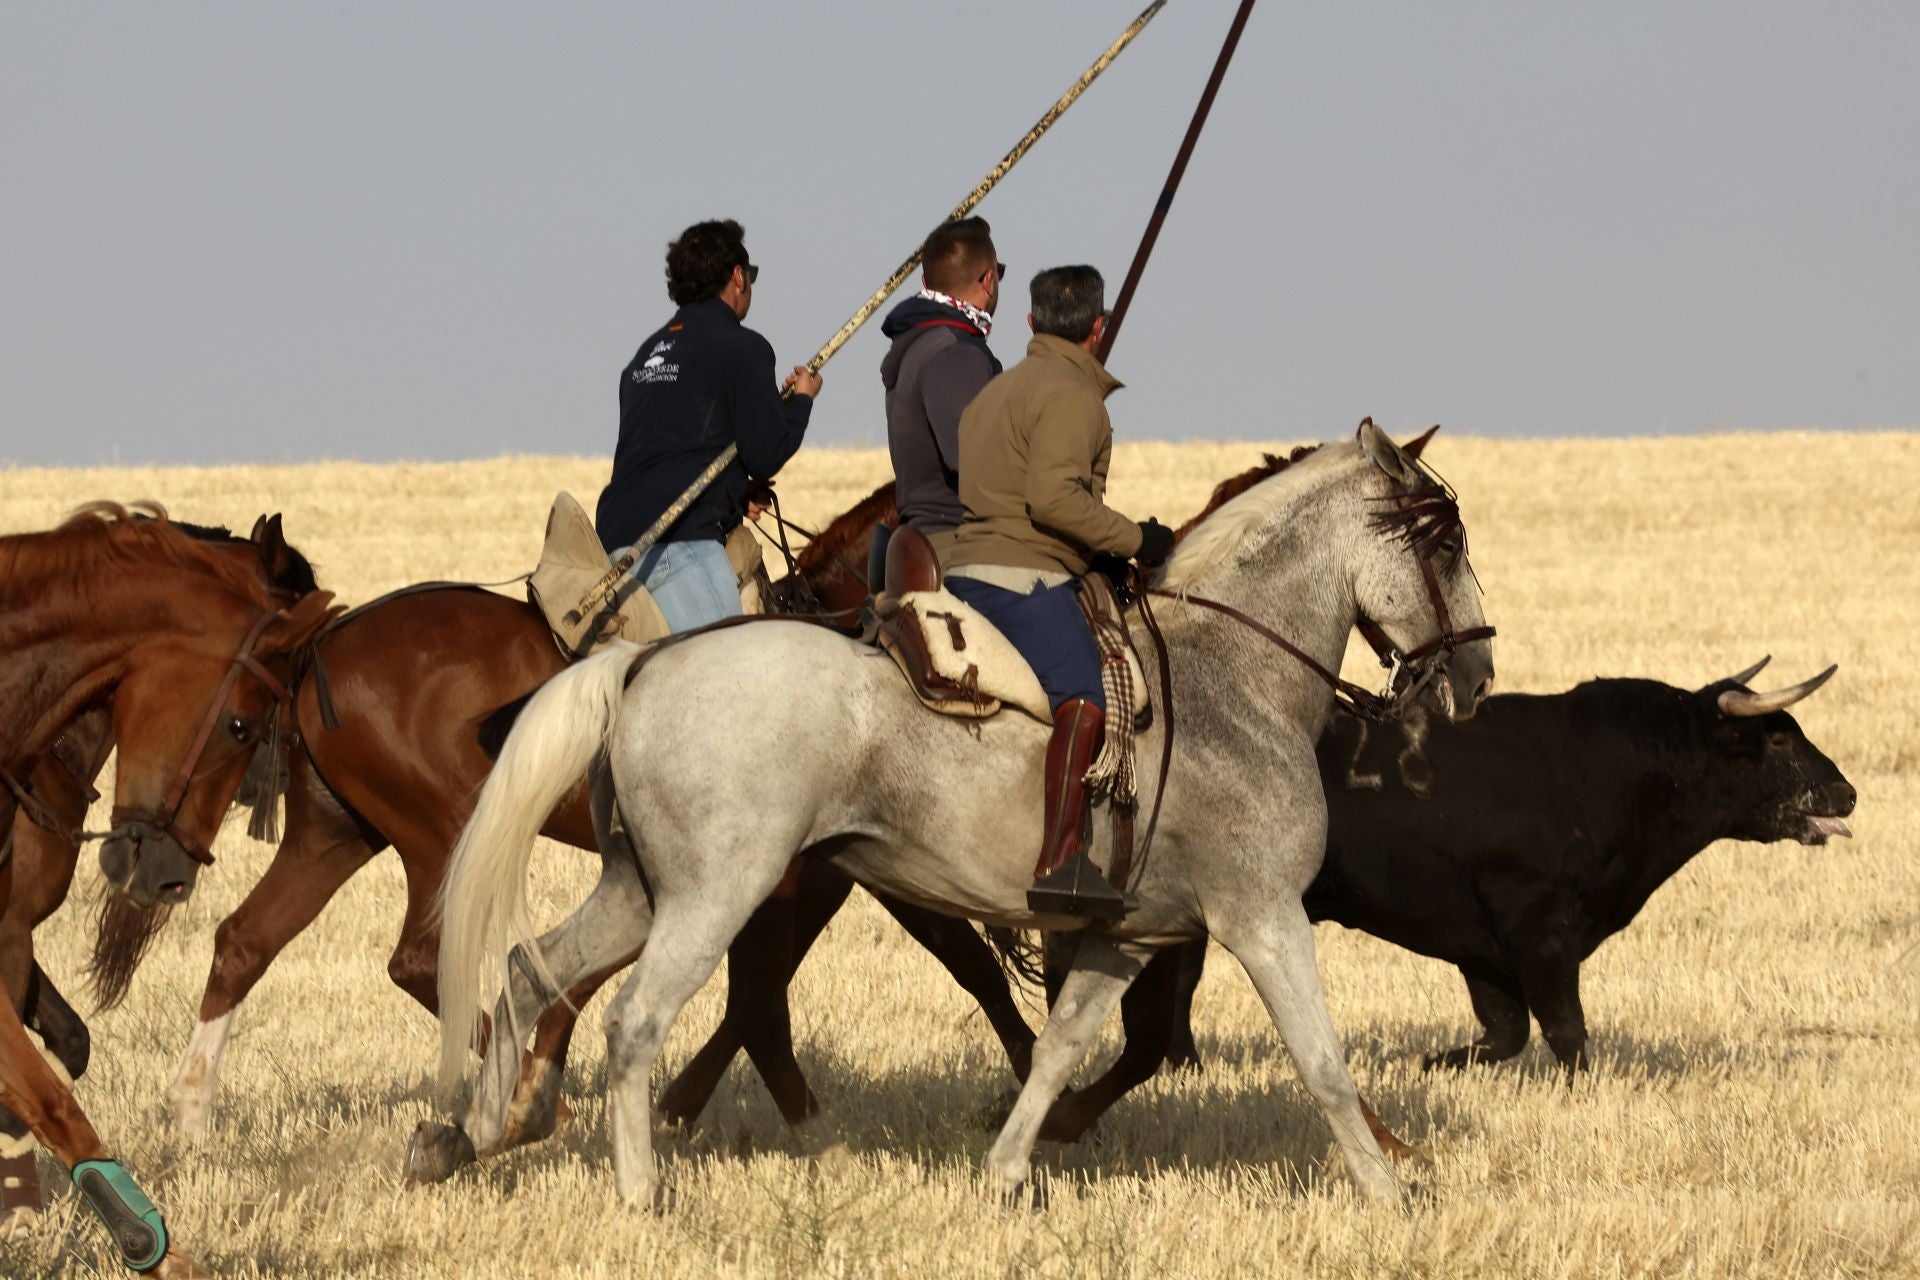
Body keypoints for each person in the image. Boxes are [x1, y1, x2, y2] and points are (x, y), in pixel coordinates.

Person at [944, 265, 1176, 920]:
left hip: (967, 568)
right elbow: (1052, 500)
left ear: (1031, 322)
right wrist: (1138, 538)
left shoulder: (995, 391)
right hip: (1025, 575)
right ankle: (1061, 859)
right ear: (1098, 329)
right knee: (1088, 692)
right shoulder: (1075, 397)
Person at [595, 219, 823, 633]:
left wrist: (734, 493)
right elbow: (766, 452)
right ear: (738, 277)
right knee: (732, 684)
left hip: (615, 545)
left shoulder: (644, 357)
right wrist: (801, 400)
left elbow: (677, 453)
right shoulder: (743, 348)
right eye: (749, 276)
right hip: (679, 544)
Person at [879, 217, 1004, 561]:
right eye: (1000, 272)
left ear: (925, 283)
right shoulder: (955, 351)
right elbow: (976, 460)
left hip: (926, 539)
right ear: (989, 280)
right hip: (956, 543)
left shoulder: (921, 342)